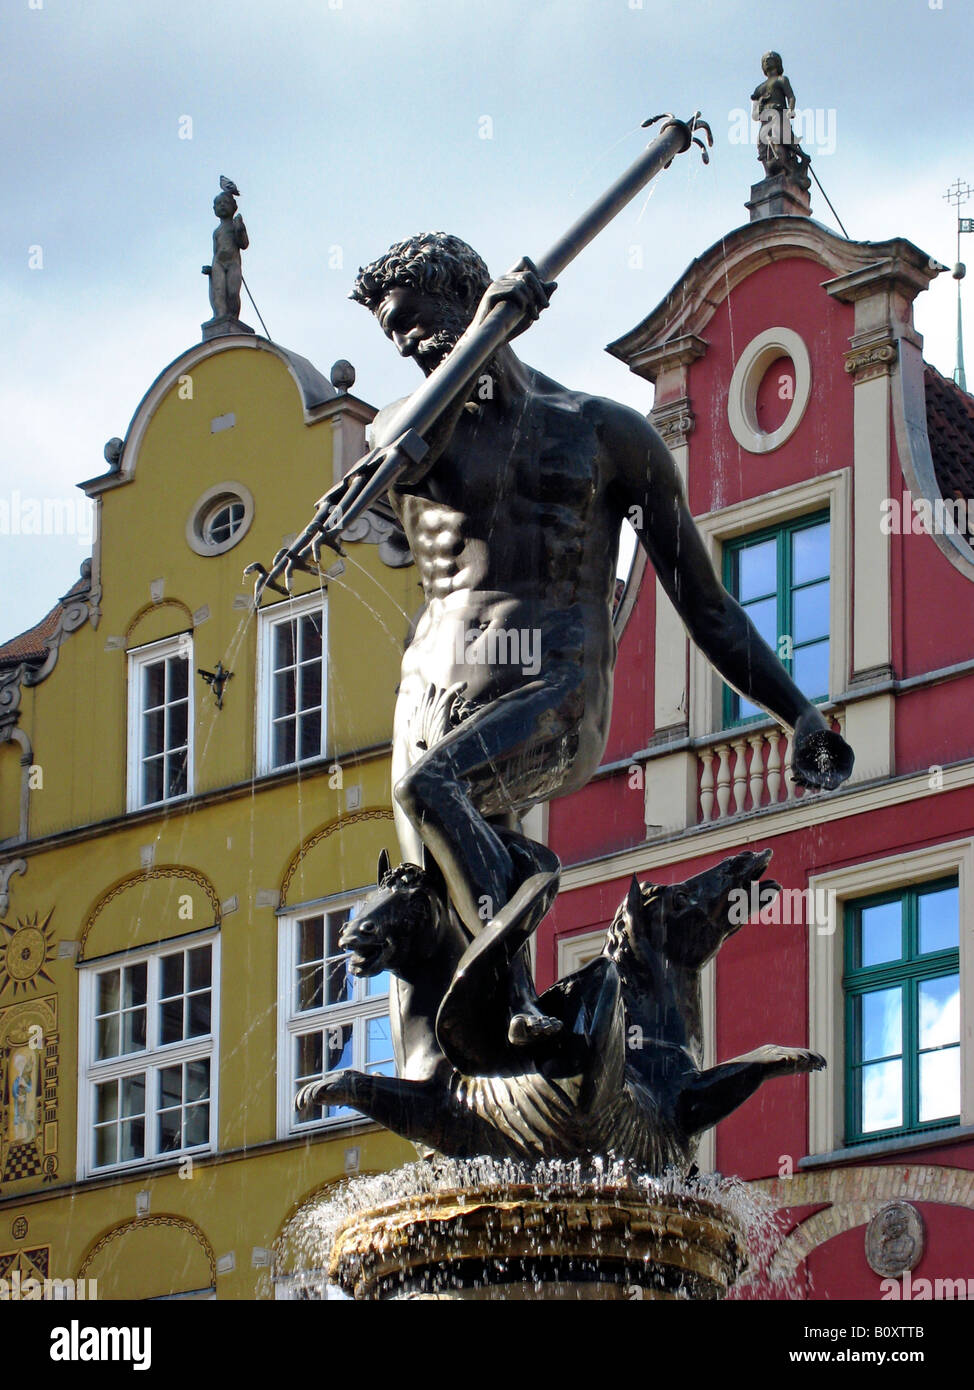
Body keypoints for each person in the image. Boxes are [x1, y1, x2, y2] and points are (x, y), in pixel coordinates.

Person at [347, 232, 852, 1046]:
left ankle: (517, 993)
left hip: (551, 691)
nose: (405, 345)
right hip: (428, 702)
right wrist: (475, 352)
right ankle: (482, 1105)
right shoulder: (402, 434)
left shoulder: (603, 435)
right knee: (427, 980)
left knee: (432, 795)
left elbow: (704, 602)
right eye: (391, 334)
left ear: (464, 302)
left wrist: (798, 713)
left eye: (412, 321)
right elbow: (411, 453)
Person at [203, 190, 248, 319]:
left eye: (226, 203)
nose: (222, 205)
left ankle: (233, 318)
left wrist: (240, 229)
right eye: (219, 203)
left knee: (233, 292)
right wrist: (211, 270)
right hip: (219, 263)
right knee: (219, 291)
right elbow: (215, 252)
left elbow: (244, 244)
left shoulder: (235, 225)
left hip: (233, 262)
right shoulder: (216, 232)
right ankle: (220, 317)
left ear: (233, 207)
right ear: (214, 209)